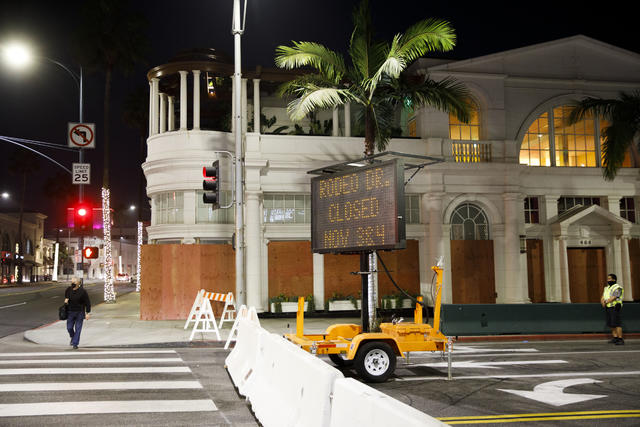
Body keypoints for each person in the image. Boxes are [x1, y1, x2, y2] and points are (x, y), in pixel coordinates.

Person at [64, 277, 91, 349]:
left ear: (78, 283)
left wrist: (87, 313)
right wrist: (66, 301)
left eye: (74, 282)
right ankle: (73, 337)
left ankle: (75, 343)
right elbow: (66, 298)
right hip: (70, 312)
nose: (72, 283)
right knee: (69, 328)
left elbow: (87, 302)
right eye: (72, 282)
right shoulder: (68, 290)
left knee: (78, 329)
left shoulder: (83, 291)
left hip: (80, 312)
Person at [601, 273, 624, 345]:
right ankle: (615, 338)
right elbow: (603, 296)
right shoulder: (606, 288)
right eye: (607, 279)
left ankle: (620, 339)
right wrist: (602, 302)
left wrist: (606, 301)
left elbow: (615, 297)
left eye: (609, 279)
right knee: (611, 324)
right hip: (608, 307)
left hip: (615, 307)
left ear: (614, 279)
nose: (608, 280)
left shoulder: (618, 287)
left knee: (617, 324)